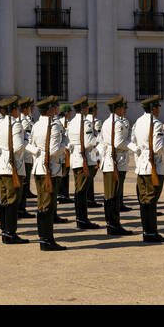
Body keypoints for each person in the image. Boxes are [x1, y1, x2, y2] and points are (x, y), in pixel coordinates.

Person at [27, 96, 68, 250]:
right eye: (55, 107)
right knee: (48, 205)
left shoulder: (37, 124)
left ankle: (44, 238)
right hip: (50, 168)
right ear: (51, 109)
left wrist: (38, 153)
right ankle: (46, 240)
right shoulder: (54, 126)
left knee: (42, 203)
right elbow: (54, 150)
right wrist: (65, 144)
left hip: (38, 167)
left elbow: (30, 145)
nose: (57, 109)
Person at [130, 95, 164, 244]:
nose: (159, 110)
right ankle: (151, 232)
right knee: (151, 200)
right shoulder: (157, 124)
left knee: (144, 200)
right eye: (158, 107)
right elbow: (158, 148)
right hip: (153, 166)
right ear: (153, 108)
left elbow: (133, 141)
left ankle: (146, 231)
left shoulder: (138, 122)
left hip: (141, 165)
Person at [0, 98, 27, 244]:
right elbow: (18, 148)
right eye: (17, 109)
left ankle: (5, 231)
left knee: (4, 199)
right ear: (13, 110)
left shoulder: (0, 124)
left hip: (0, 166)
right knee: (12, 200)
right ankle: (11, 233)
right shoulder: (15, 125)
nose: (18, 111)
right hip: (12, 167)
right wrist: (26, 141)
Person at [99, 95, 134, 236]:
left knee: (112, 194)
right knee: (113, 194)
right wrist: (133, 145)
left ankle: (112, 223)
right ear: (118, 108)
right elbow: (119, 143)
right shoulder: (116, 123)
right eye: (124, 107)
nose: (125, 110)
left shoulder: (109, 122)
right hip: (114, 162)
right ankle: (113, 224)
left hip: (113, 161)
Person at [66, 96, 100, 229]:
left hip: (76, 159)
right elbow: (88, 142)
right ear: (84, 108)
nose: (88, 109)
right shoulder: (85, 123)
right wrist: (98, 139)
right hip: (84, 159)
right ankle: (82, 219)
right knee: (81, 191)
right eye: (86, 107)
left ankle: (81, 218)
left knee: (79, 189)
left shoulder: (72, 122)